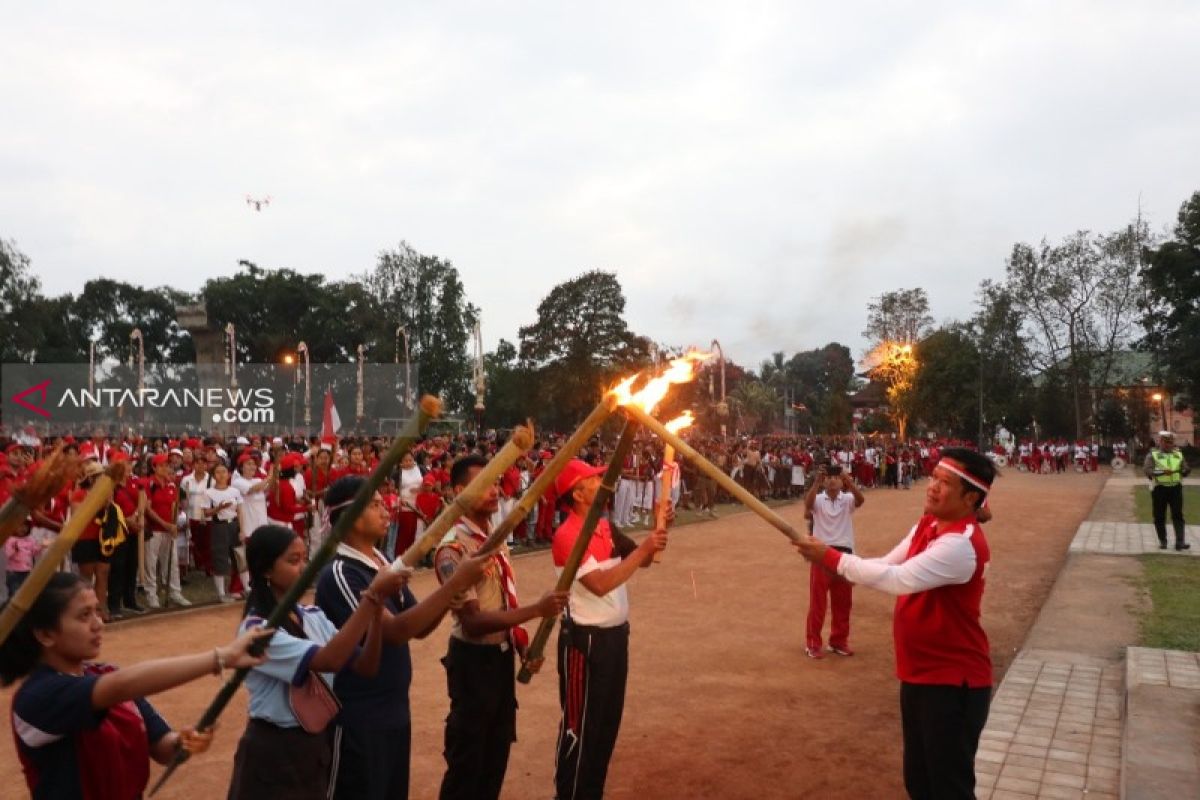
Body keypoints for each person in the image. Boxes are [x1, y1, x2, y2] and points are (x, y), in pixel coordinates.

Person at [793, 447, 997, 800]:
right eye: (933, 477)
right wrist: (836, 560)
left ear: (971, 498)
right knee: (919, 782)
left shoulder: (961, 546)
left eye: (944, 482)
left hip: (953, 682)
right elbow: (885, 563)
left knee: (949, 788)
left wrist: (830, 556)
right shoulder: (928, 523)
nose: (931, 486)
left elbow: (897, 579)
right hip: (919, 675)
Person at [1, 571, 270, 799]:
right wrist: (221, 657)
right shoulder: (37, 697)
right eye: (84, 616)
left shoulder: (104, 673)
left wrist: (181, 742)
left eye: (98, 610)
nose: (98, 623)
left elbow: (162, 748)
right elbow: (120, 686)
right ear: (45, 634)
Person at [315, 475, 488, 800]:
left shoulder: (383, 564)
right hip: (357, 716)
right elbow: (394, 631)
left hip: (394, 711)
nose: (386, 512)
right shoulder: (340, 573)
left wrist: (454, 591)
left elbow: (418, 626)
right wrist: (453, 585)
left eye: (384, 503)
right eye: (376, 505)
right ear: (349, 517)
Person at [227, 524, 404, 800]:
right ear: (266, 570)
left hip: (313, 747)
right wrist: (369, 600)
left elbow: (366, 666)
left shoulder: (312, 616)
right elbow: (330, 660)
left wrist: (378, 612)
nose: (304, 567)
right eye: (292, 560)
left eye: (304, 558)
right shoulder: (257, 631)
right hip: (274, 751)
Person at [433, 455, 569, 800]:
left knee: (495, 757)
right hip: (472, 664)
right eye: (484, 485)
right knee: (467, 765)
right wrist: (535, 611)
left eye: (496, 483)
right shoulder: (452, 549)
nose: (495, 491)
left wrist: (522, 644)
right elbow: (474, 621)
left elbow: (502, 597)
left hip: (500, 659)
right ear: (459, 491)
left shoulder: (494, 535)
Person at [551, 459, 669, 800]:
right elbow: (599, 584)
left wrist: (659, 531)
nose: (602, 481)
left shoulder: (604, 526)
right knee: (580, 730)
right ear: (577, 493)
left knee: (604, 728)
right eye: (593, 478)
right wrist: (645, 549)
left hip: (615, 640)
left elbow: (644, 560)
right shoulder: (568, 534)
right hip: (584, 645)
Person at [802, 463, 865, 659]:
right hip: (822, 554)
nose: (832, 480)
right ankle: (813, 642)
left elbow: (861, 500)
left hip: (844, 555)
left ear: (841, 481)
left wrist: (849, 481)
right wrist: (816, 483)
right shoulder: (818, 499)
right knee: (818, 603)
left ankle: (838, 641)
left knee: (843, 603)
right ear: (824, 480)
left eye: (836, 477)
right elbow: (808, 504)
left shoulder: (847, 499)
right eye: (828, 477)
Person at [142, 453, 190, 608]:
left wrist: (173, 524)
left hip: (169, 530)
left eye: (167, 465)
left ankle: (175, 592)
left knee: (171, 562)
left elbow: (174, 507)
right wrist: (165, 524)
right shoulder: (150, 484)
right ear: (154, 467)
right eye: (161, 465)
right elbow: (148, 509)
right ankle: (151, 594)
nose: (165, 468)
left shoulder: (171, 485)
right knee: (151, 563)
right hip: (154, 530)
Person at [1143, 430, 1191, 551]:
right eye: (1166, 442)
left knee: (1178, 515)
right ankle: (1163, 541)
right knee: (1159, 516)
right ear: (1160, 441)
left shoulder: (1178, 454)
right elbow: (1147, 470)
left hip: (1175, 488)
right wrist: (1160, 472)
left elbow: (1184, 467)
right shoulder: (1153, 455)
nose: (1168, 444)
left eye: (1170, 442)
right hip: (1159, 488)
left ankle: (1180, 542)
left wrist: (1185, 471)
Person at [204, 462, 243, 602]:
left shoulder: (234, 491)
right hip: (219, 526)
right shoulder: (209, 493)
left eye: (224, 472)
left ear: (229, 474)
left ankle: (245, 588)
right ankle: (221, 594)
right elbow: (206, 513)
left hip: (233, 524)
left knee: (240, 557)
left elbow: (240, 510)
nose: (221, 475)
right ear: (214, 476)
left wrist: (242, 529)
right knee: (220, 558)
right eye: (218, 472)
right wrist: (218, 508)